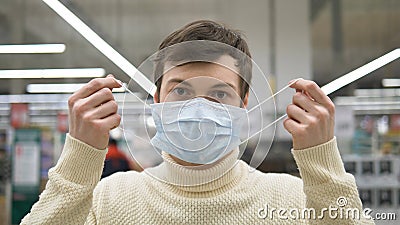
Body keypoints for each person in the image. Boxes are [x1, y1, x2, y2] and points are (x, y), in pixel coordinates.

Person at [21, 20, 374, 224]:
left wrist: (322, 161)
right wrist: (80, 157)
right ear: (156, 101)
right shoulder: (107, 201)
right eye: (181, 91)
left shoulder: (293, 199)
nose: (199, 109)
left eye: (219, 94)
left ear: (244, 103)